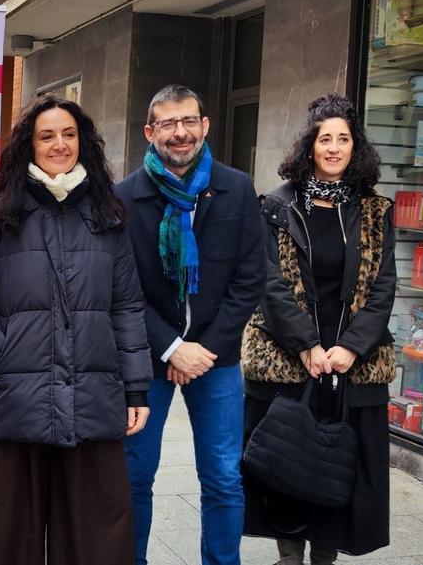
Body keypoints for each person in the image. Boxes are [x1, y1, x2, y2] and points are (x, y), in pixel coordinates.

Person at [0, 95, 152, 564]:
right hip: (18, 396)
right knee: (8, 537)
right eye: (47, 136)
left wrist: (137, 388)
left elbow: (126, 305)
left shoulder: (109, 217)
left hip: (94, 395)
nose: (59, 144)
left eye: (68, 134)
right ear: (30, 146)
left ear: (82, 143)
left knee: (95, 536)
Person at [115, 85, 265, 565]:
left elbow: (251, 276)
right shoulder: (125, 197)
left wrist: (205, 349)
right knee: (135, 476)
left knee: (223, 476)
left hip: (216, 359)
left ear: (205, 125)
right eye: (167, 123)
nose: (179, 133)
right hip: (146, 355)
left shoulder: (236, 187)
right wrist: (171, 347)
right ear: (149, 131)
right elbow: (121, 289)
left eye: (188, 121)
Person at [241, 94, 394, 564]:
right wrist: (307, 345)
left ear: (355, 147)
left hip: (351, 362)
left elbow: (384, 284)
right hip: (288, 356)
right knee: (289, 460)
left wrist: (350, 348)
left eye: (343, 138)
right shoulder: (275, 205)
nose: (333, 147)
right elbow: (267, 282)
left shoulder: (375, 211)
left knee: (336, 462)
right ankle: (289, 556)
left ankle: (324, 557)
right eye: (324, 138)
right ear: (310, 146)